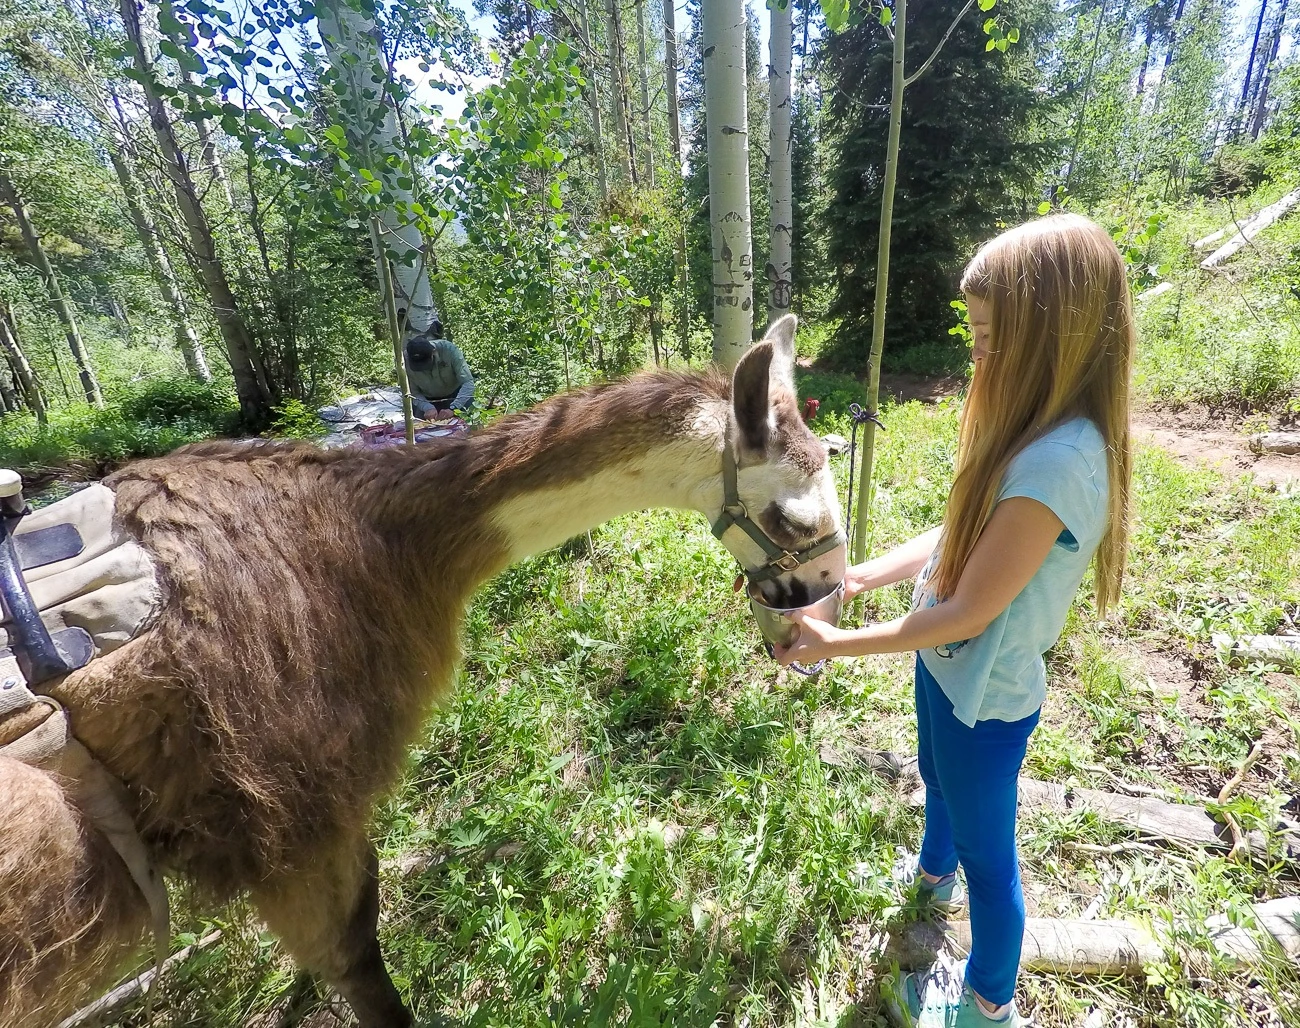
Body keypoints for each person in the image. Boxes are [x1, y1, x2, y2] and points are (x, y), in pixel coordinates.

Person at [775, 214, 1134, 1027]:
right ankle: (929, 880)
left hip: (988, 698)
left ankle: (986, 1007)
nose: (972, 351)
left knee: (991, 860)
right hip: (946, 676)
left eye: (985, 335)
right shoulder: (1030, 437)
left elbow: (970, 608)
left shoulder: (1059, 463)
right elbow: (956, 540)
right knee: (932, 778)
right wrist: (867, 573)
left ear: (1050, 335)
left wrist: (837, 641)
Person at [404, 321, 474, 417]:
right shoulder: (404, 361)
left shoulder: (449, 350)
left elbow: (468, 383)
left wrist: (454, 408)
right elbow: (413, 392)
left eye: (425, 363)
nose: (423, 368)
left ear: (433, 352)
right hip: (426, 399)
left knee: (471, 426)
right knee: (420, 429)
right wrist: (427, 407)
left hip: (457, 394)